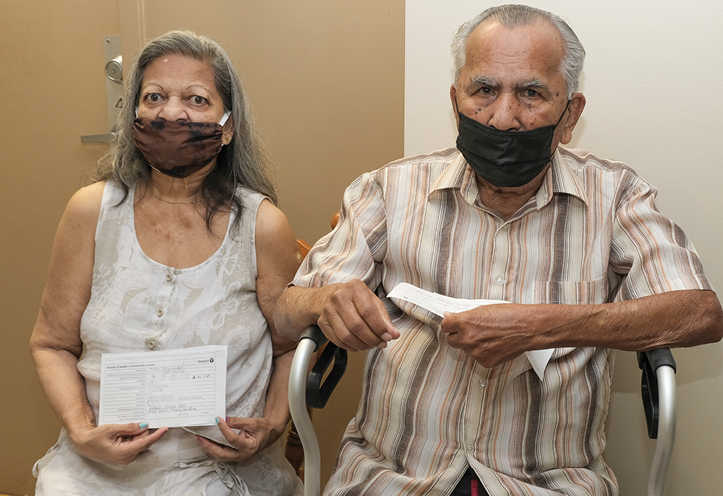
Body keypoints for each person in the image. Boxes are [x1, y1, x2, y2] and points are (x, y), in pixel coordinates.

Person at [274, 5, 723, 496]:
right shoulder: (389, 188)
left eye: (530, 93)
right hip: (395, 477)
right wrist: (323, 301)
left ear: (570, 114)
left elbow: (699, 313)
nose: (504, 117)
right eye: (484, 91)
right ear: (456, 101)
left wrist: (541, 325)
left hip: (548, 483)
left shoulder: (616, 195)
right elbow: (286, 309)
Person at [30, 31, 302, 495]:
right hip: (96, 468)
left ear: (228, 125)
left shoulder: (262, 225)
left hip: (218, 469)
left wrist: (272, 427)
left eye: (196, 100)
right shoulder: (90, 211)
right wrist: (80, 431)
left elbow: (287, 348)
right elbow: (51, 343)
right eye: (154, 97)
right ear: (134, 116)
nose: (171, 113)